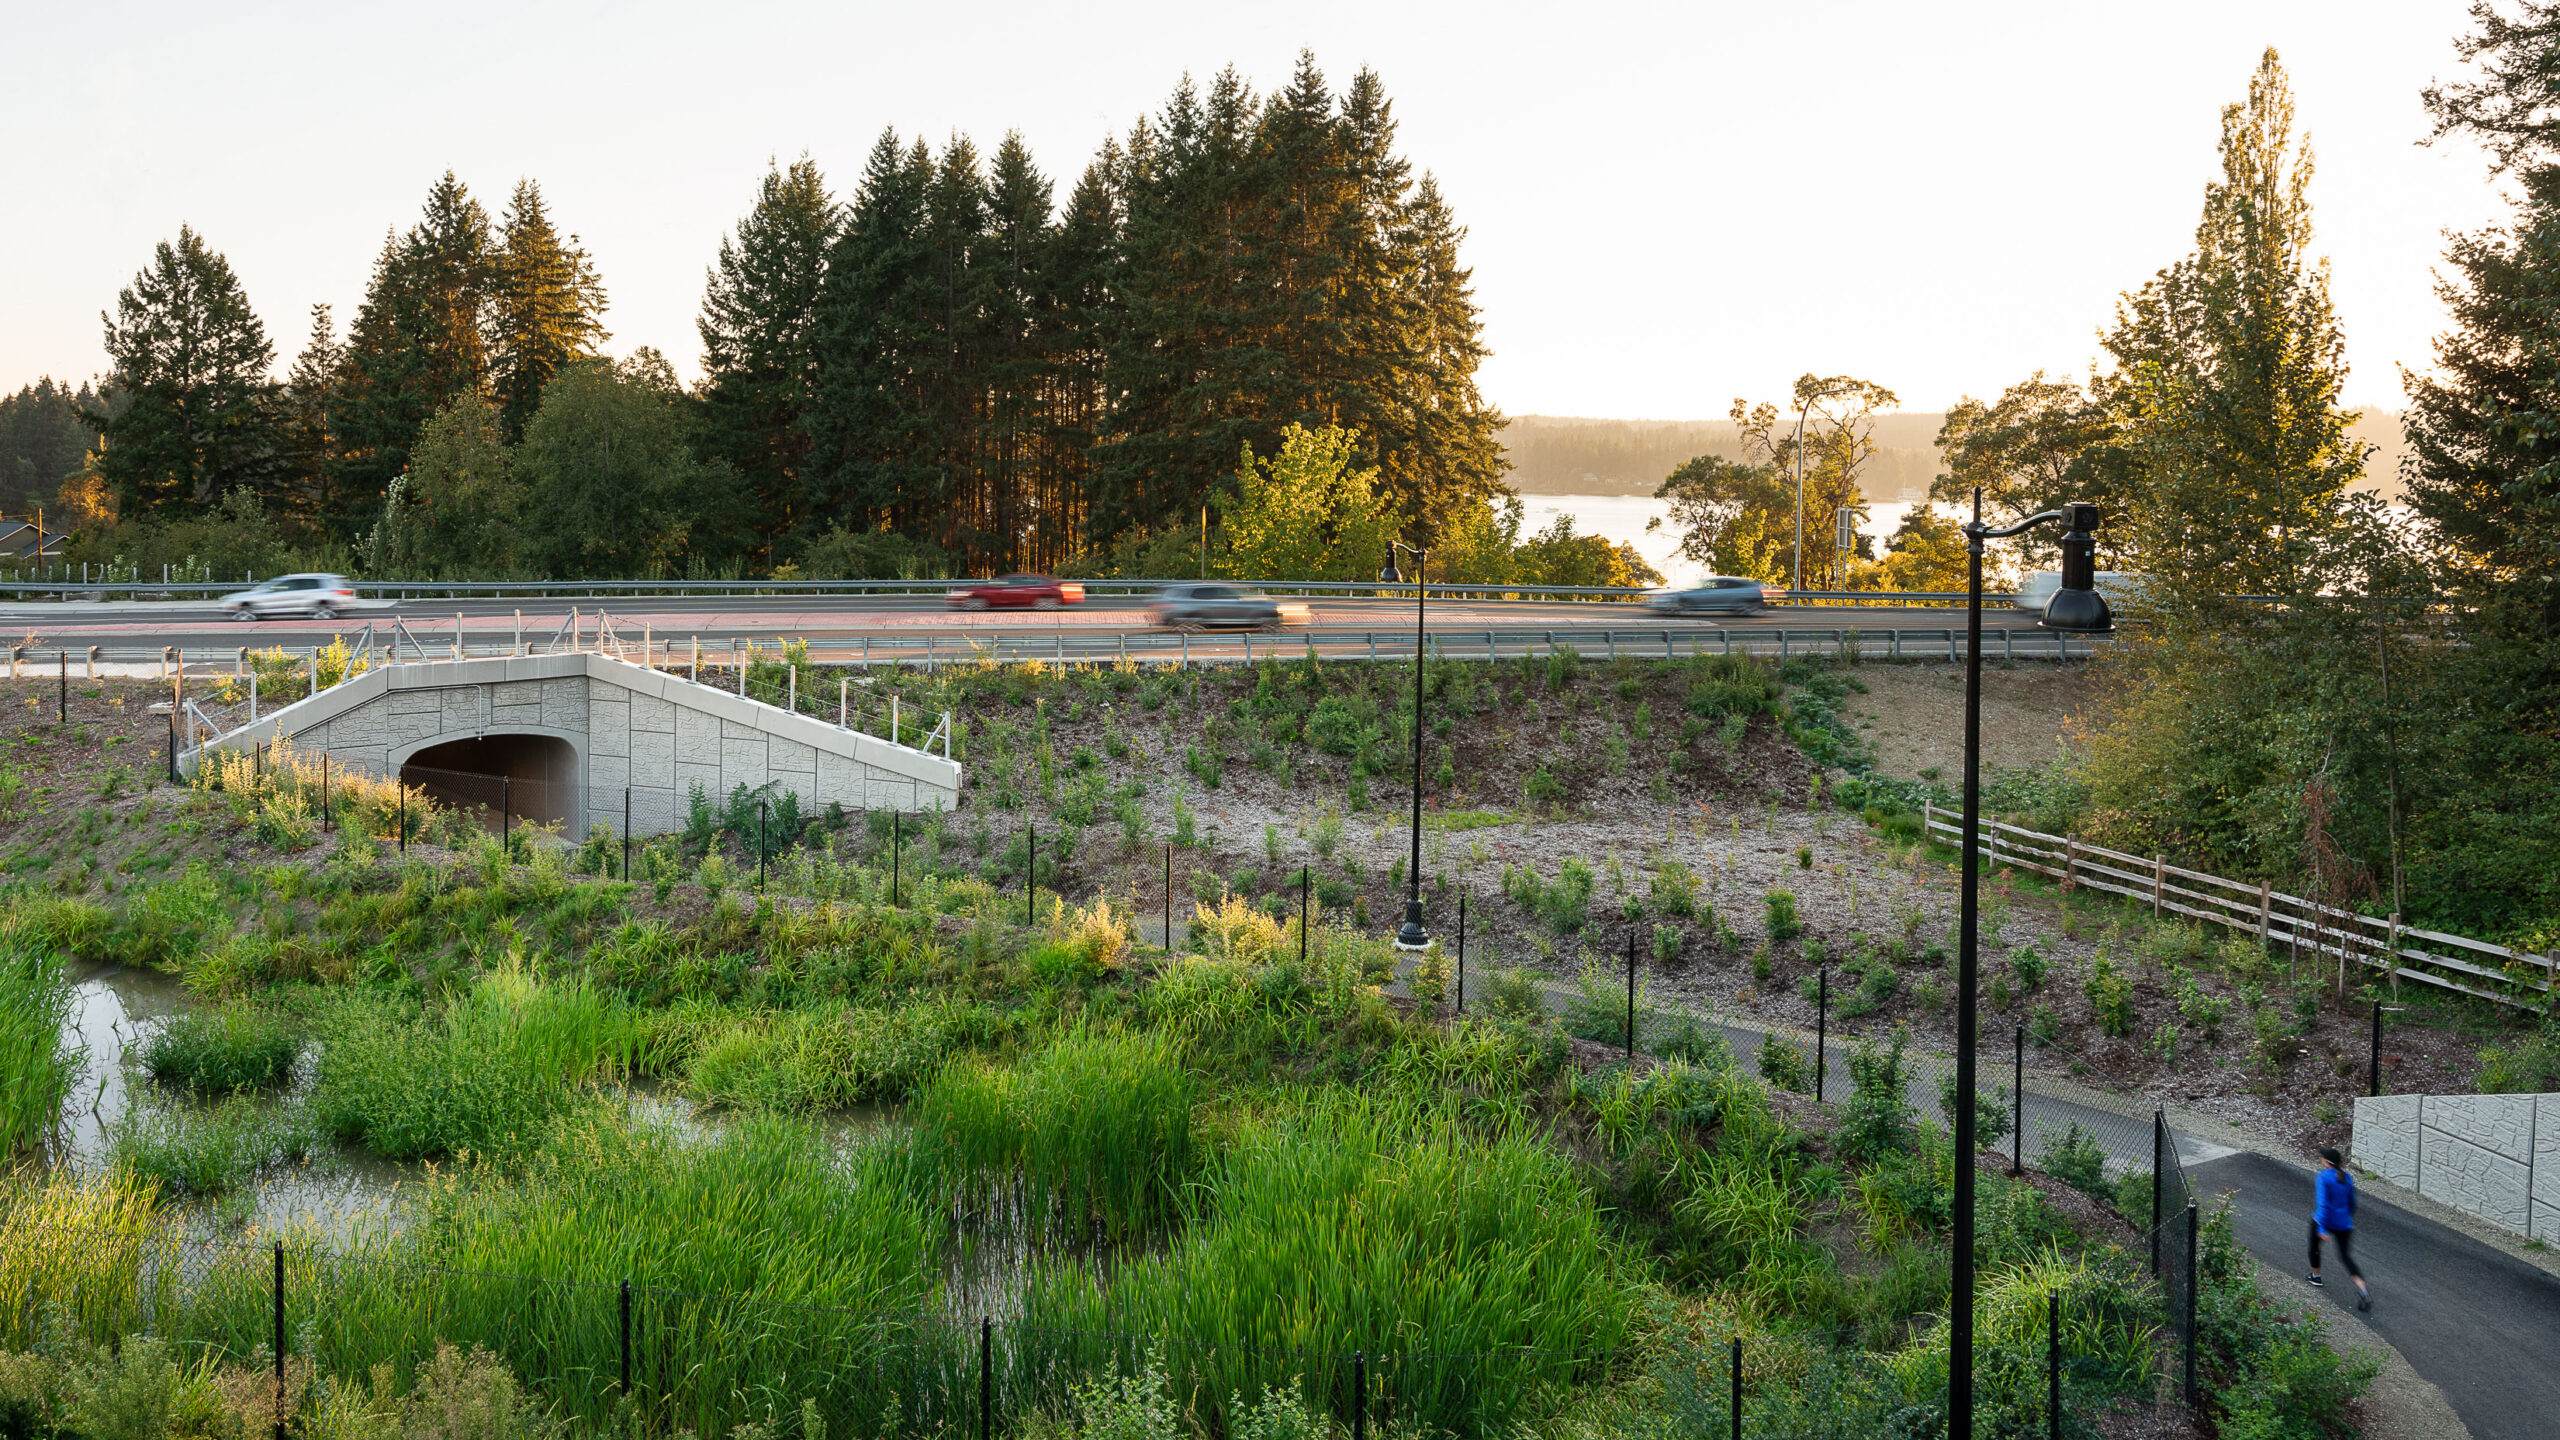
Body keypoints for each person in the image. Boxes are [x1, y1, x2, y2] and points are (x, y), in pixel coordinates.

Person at [2308, 1146, 2371, 1311]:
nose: (2320, 1159)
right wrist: (2346, 1217)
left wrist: (2321, 1229)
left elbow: (2322, 1205)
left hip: (2325, 1221)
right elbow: (2352, 1203)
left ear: (2326, 1162)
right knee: (2345, 1257)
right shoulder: (2347, 1178)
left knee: (2314, 1248)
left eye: (2321, 1157)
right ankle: (2363, 1289)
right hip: (2344, 1224)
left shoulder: (2323, 1177)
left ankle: (2316, 1276)